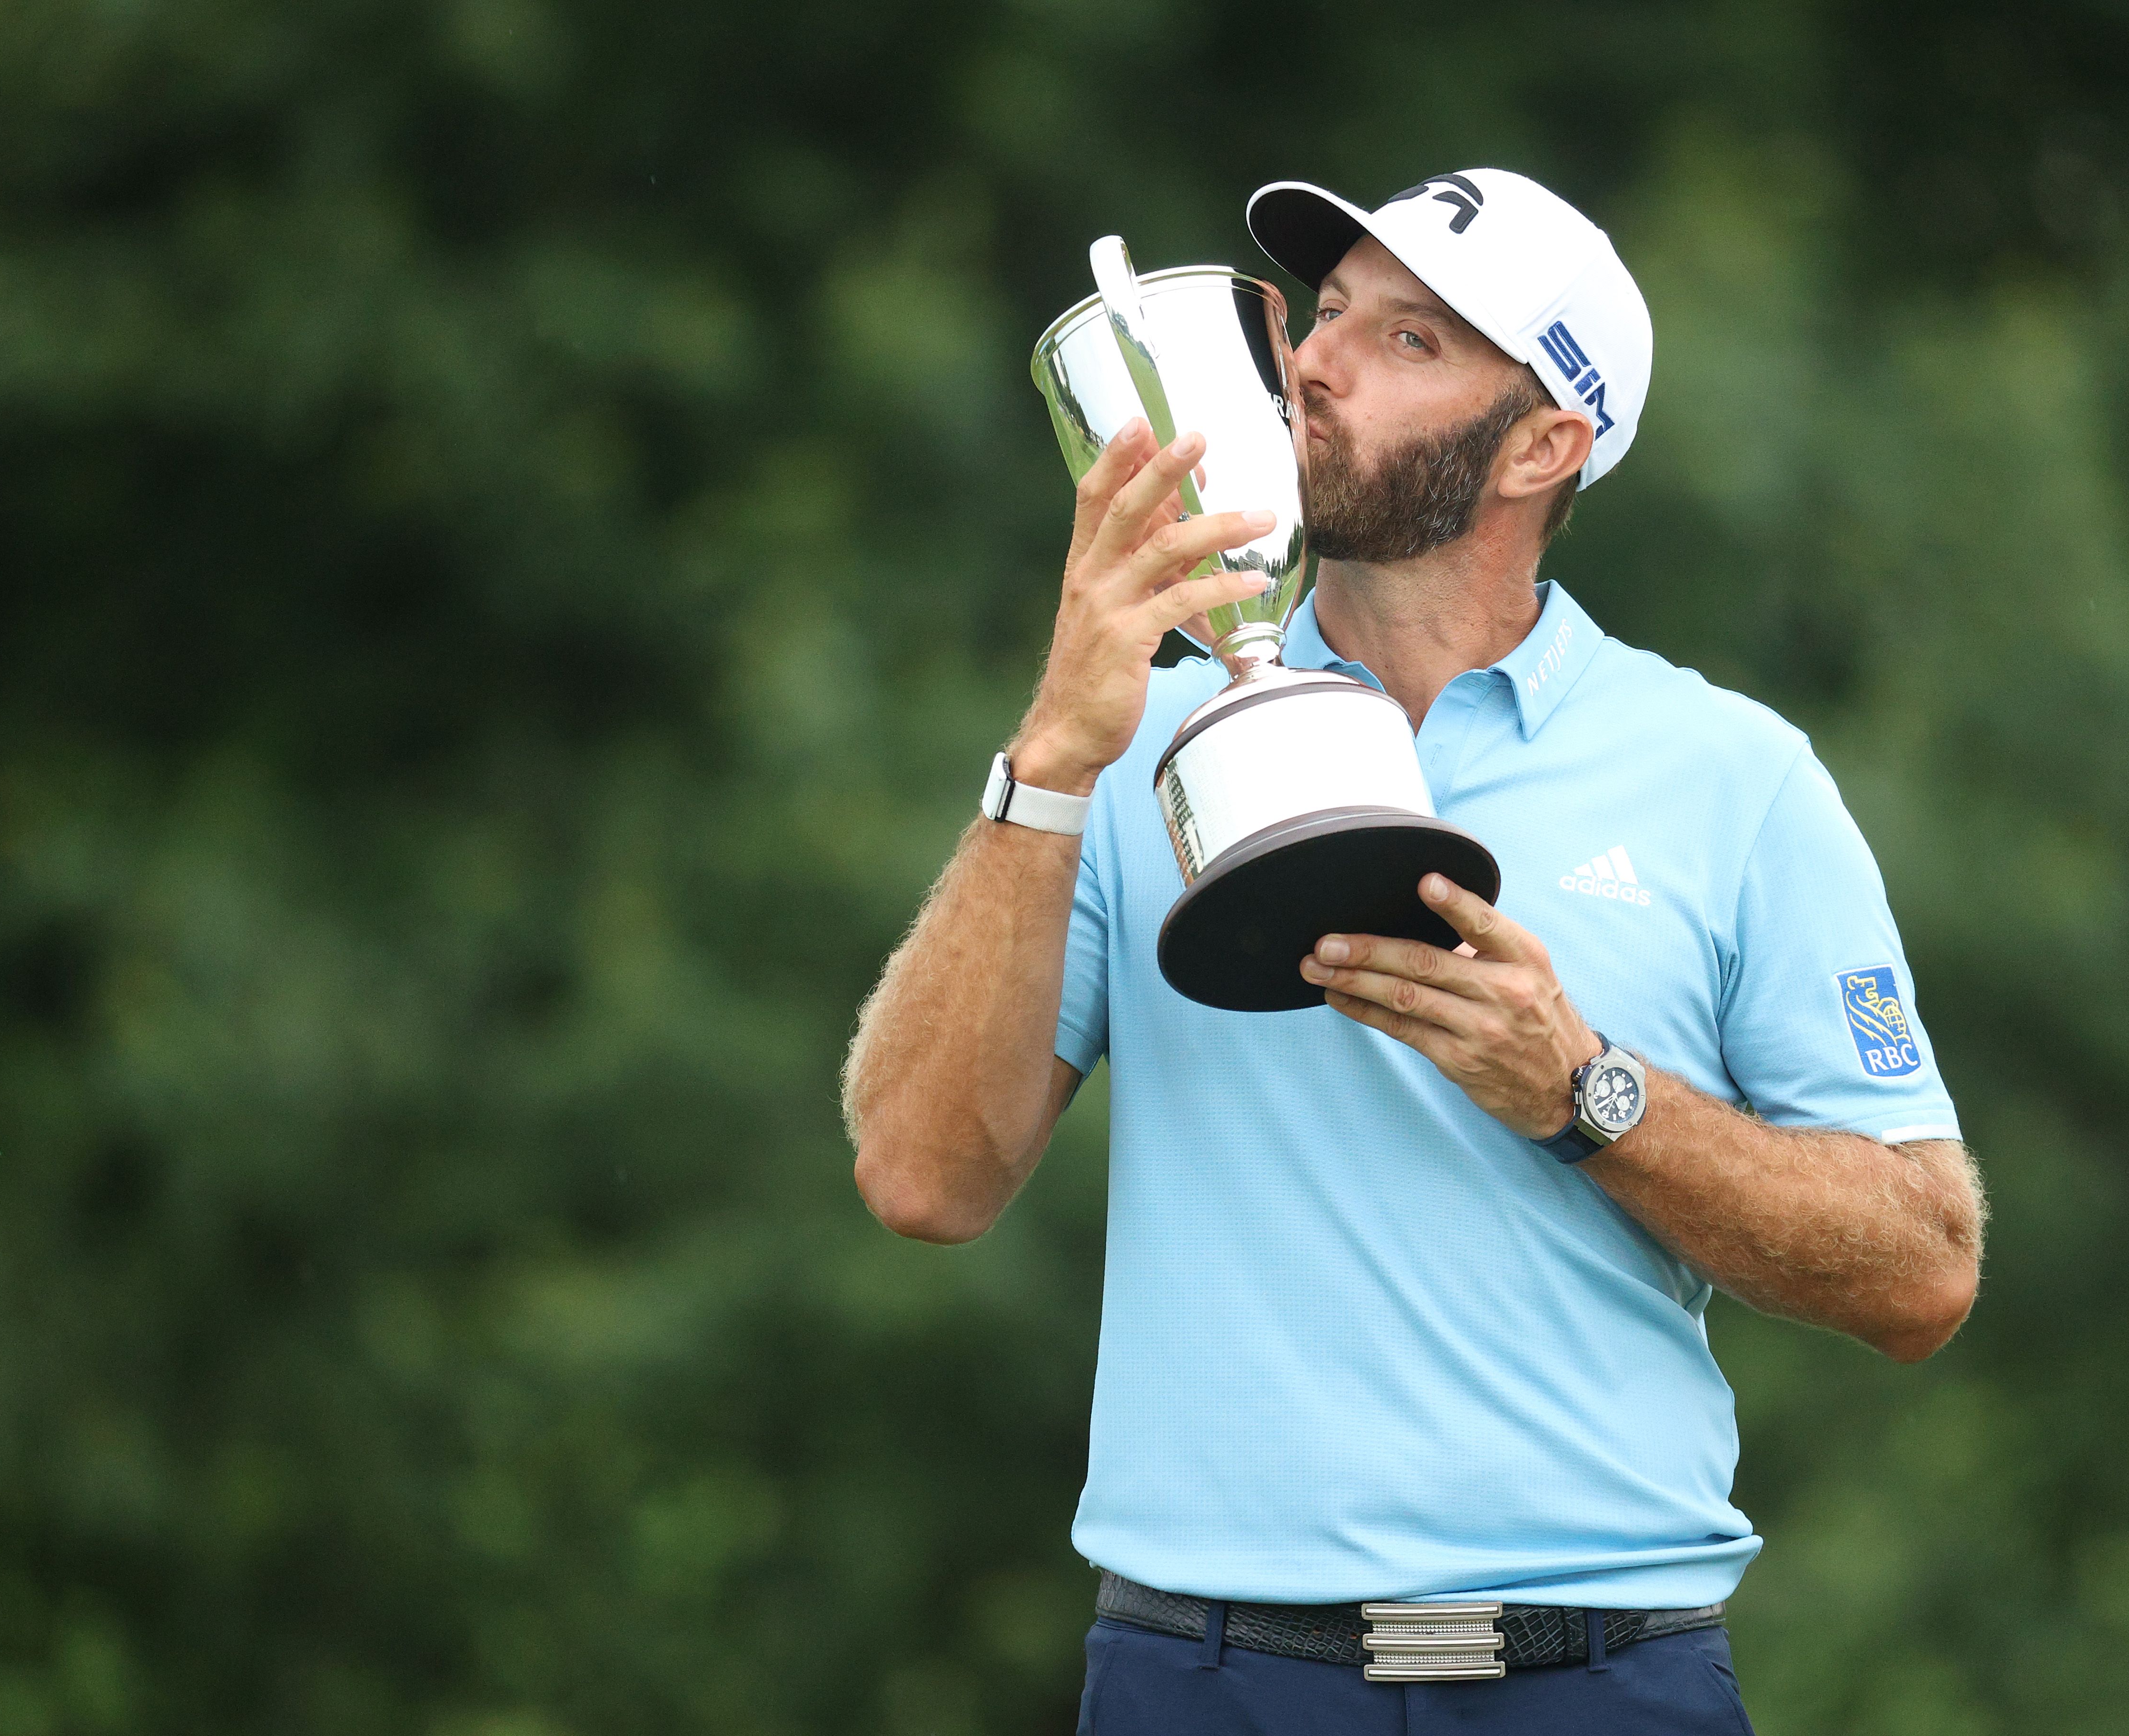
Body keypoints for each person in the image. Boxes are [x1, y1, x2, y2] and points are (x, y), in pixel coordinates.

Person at [843, 168, 1985, 1735]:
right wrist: (1048, 755)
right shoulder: (1129, 743)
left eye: (1410, 340)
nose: (1315, 363)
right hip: (1206, 1676)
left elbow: (1925, 1268)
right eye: (1324, 317)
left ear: (1542, 443)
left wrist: (1584, 1094)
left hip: (1600, 1680)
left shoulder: (1736, 775)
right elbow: (924, 1181)